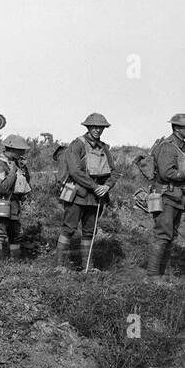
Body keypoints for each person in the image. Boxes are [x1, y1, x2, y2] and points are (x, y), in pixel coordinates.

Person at [57, 113, 117, 270]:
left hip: (97, 197)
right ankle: (60, 267)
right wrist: (94, 186)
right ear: (88, 127)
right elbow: (75, 171)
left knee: (90, 232)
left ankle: (88, 267)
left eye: (101, 127)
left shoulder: (104, 148)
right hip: (78, 194)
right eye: (94, 127)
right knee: (69, 229)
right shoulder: (77, 145)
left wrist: (107, 186)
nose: (98, 130)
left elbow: (114, 172)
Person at [146, 114, 185, 277]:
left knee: (170, 235)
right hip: (166, 197)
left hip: (176, 197)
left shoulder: (180, 147)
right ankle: (152, 275)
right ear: (177, 129)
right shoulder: (168, 147)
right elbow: (167, 172)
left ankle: (163, 273)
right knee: (163, 234)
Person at [0, 135, 32, 262]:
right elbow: (2, 188)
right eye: (20, 150)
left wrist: (23, 169)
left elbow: (25, 184)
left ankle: (14, 264)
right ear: (12, 149)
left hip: (13, 205)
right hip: (1, 204)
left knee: (15, 234)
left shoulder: (16, 164)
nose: (23, 153)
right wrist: (13, 171)